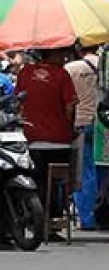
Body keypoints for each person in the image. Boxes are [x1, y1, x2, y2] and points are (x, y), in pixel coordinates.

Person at [16, 48, 78, 228]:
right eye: (61, 53)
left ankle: (36, 219)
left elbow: (18, 103)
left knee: (37, 180)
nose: (64, 57)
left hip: (31, 139)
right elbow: (70, 108)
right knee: (57, 184)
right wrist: (69, 126)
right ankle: (52, 220)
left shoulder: (25, 73)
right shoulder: (61, 74)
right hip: (59, 141)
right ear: (51, 54)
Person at [64, 44, 102, 229]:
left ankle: (85, 218)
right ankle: (93, 213)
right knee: (93, 169)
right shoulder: (103, 64)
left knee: (79, 171)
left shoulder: (71, 68)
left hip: (77, 123)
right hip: (97, 122)